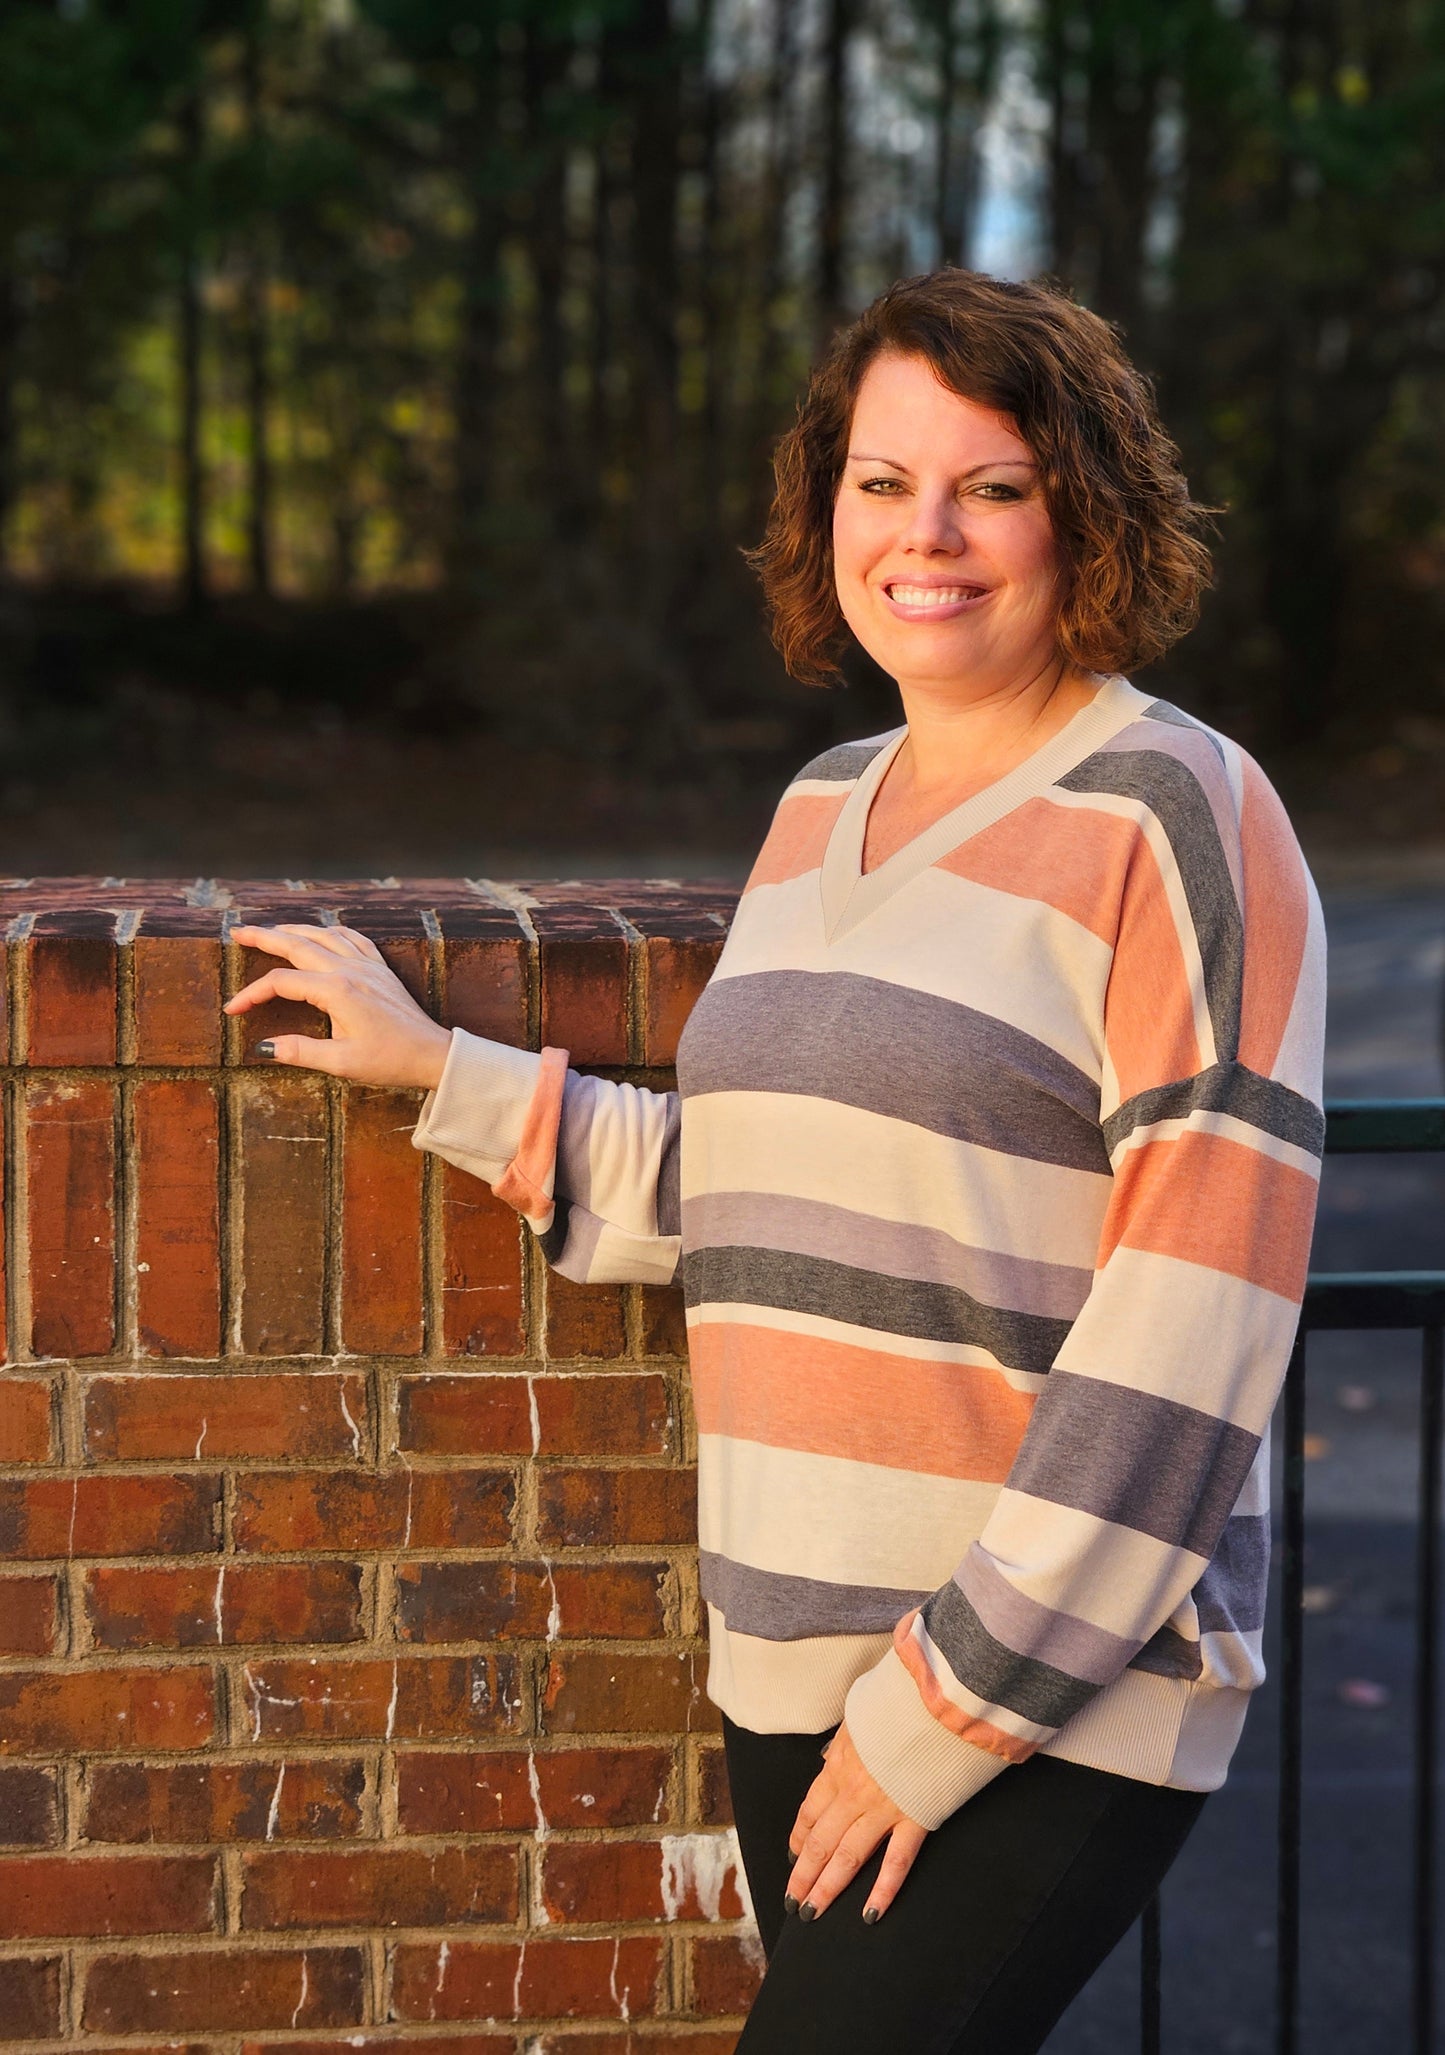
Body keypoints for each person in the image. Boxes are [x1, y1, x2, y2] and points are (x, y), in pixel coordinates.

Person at [225, 268, 1326, 2053]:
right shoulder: (821, 804)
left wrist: (951, 1697)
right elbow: (746, 1188)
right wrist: (440, 1069)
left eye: (994, 485)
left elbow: (1197, 1305)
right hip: (792, 1657)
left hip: (1050, 1680)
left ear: (1085, 513)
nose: (928, 536)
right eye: (881, 484)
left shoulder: (1180, 814)